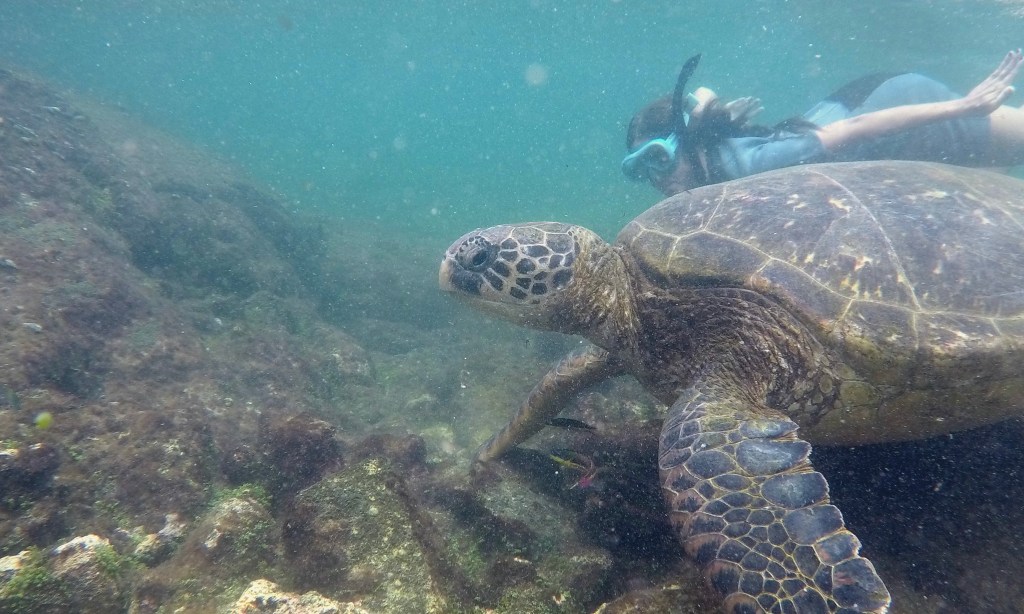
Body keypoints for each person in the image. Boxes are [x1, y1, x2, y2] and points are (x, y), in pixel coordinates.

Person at [623, 50, 1024, 196]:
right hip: (853, 109)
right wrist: (705, 104)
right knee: (990, 187)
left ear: (688, 142)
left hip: (893, 109)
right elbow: (704, 96)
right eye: (639, 170)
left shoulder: (752, 168)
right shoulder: (705, 155)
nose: (656, 179)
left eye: (658, 158)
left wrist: (964, 108)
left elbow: (857, 128)